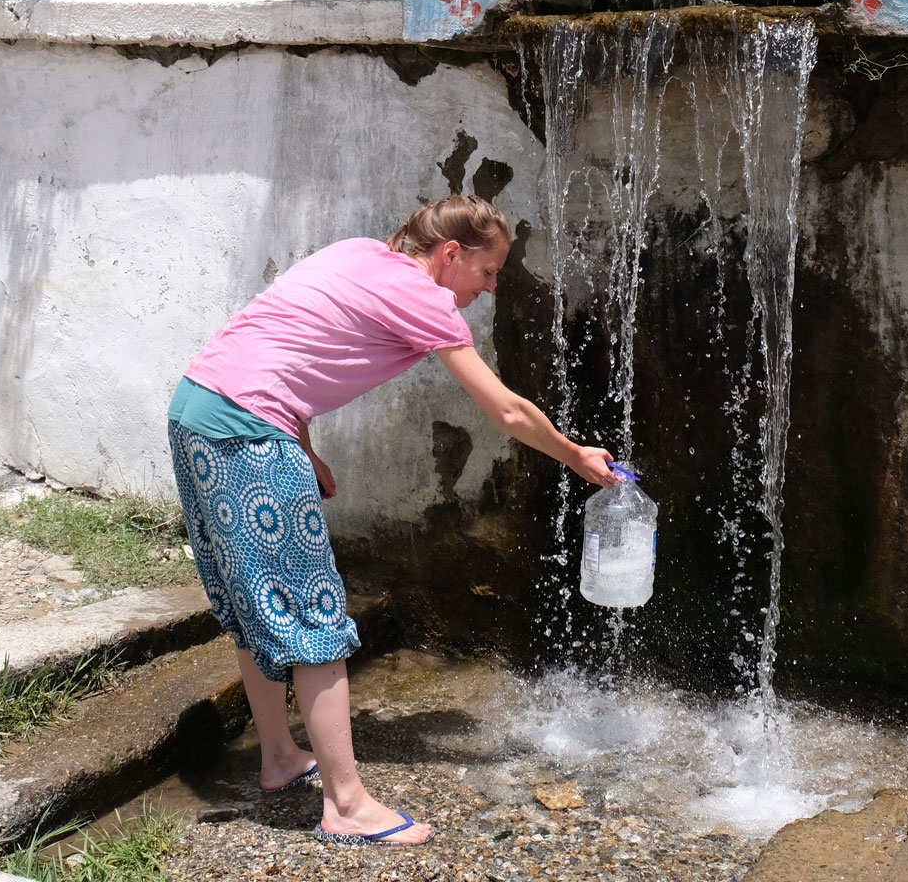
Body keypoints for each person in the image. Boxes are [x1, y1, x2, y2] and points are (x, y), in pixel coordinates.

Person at [167, 195, 616, 846]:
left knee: (255, 602)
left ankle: (279, 759)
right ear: (450, 253)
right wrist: (576, 457)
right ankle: (346, 807)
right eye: (487, 273)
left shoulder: (355, 252)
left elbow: (286, 344)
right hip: (246, 434)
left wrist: (306, 444)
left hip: (197, 411)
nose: (489, 290)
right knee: (312, 611)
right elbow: (510, 413)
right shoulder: (423, 297)